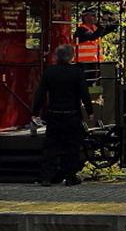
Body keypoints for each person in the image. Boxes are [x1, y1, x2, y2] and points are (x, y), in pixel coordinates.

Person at [31, 44, 94, 186]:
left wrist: (34, 112)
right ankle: (70, 176)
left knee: (51, 146)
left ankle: (47, 177)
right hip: (72, 114)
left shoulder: (49, 72)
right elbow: (84, 93)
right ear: (71, 57)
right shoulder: (77, 72)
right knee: (71, 146)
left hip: (54, 114)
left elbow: (39, 93)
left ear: (56, 57)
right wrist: (89, 111)